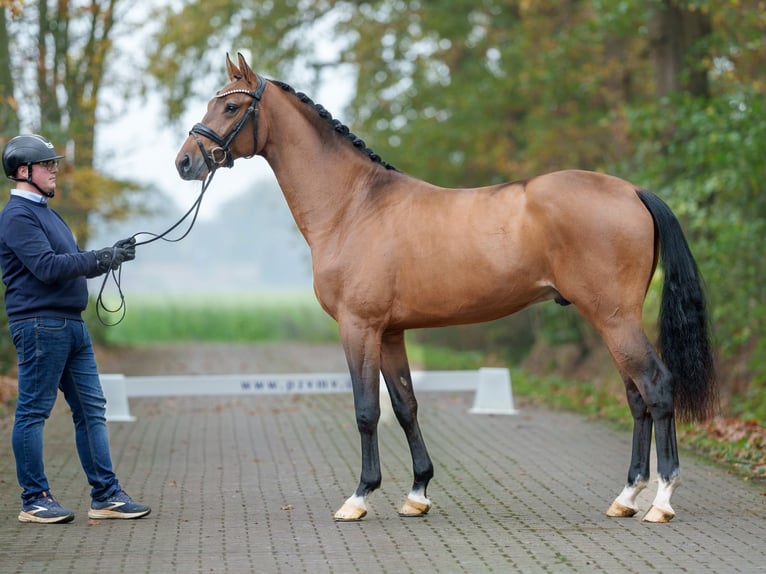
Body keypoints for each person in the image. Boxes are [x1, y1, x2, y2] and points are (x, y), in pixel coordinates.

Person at [0, 134, 150, 524]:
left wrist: (109, 258)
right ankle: (34, 500)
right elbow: (49, 267)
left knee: (92, 410)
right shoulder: (17, 216)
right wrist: (97, 257)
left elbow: (71, 262)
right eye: (47, 165)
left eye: (54, 164)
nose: (54, 170)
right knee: (33, 411)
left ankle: (106, 495)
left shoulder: (49, 214)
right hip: (39, 325)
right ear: (23, 171)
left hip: (71, 325)